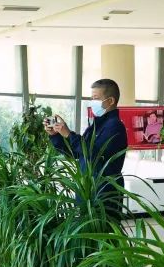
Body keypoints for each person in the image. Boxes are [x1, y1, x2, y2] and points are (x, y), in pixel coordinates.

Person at [46, 78, 129, 212]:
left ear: (110, 101)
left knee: (103, 225)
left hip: (103, 193)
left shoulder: (115, 126)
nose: (92, 102)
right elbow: (76, 153)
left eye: (96, 98)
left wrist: (69, 134)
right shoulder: (95, 125)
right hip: (87, 190)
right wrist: (55, 136)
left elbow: (93, 154)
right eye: (92, 98)